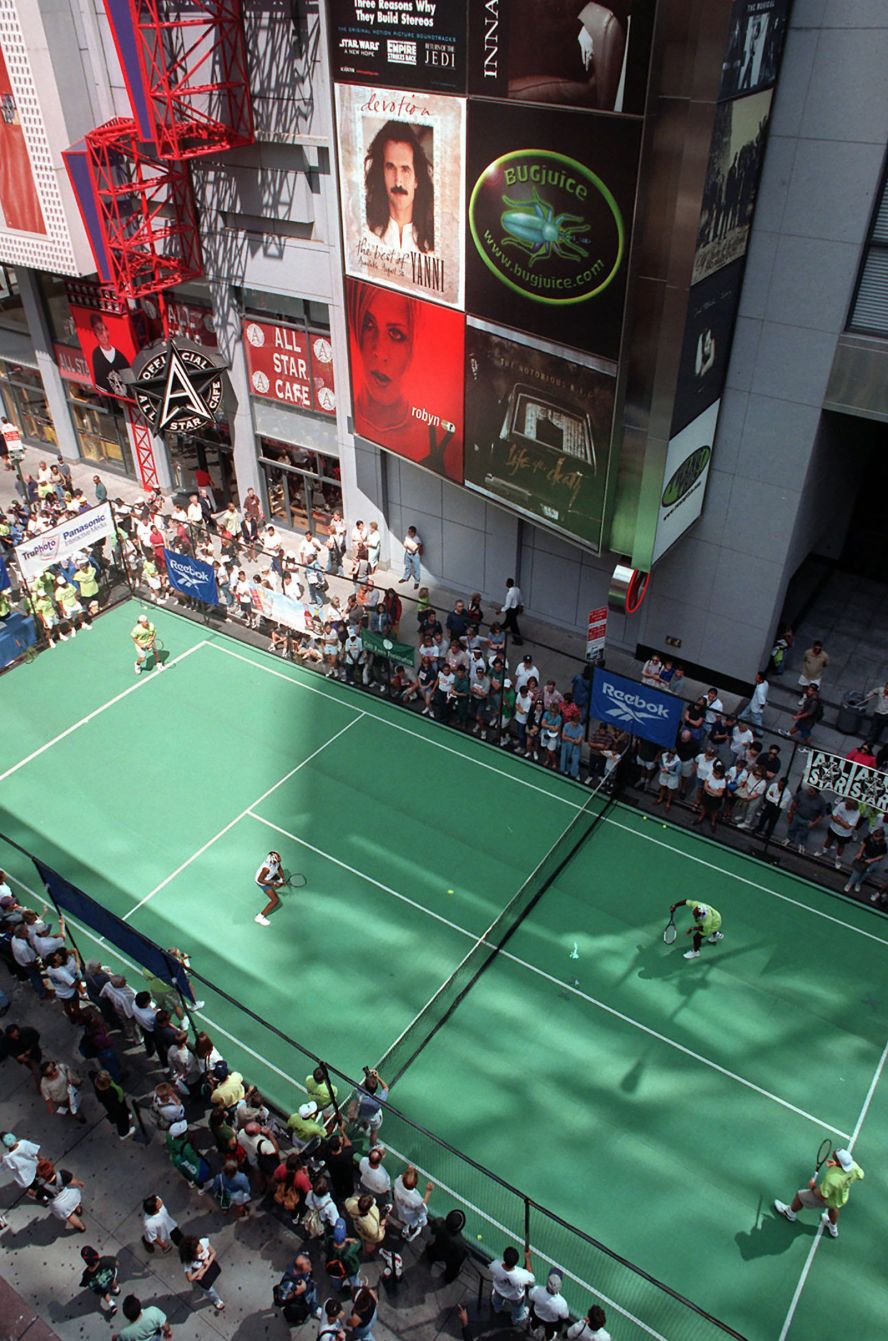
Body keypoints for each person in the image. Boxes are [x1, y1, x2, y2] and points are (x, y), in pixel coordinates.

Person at [364, 119, 433, 253]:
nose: (398, 182)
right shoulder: (367, 235)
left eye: (405, 169)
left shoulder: (431, 246)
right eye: (390, 167)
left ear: (416, 179)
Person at [774, 1146, 864, 1238]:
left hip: (829, 1199)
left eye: (835, 1155)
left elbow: (823, 1196)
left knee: (800, 1196)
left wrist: (813, 1187)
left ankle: (790, 1213)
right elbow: (861, 1175)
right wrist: (836, 1165)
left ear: (840, 1163)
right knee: (834, 1208)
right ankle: (833, 1229)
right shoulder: (853, 1166)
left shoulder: (832, 1179)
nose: (834, 1152)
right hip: (841, 1198)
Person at [490, 1245, 535, 1325]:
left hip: (499, 1291)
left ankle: (497, 1309)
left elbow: (491, 1270)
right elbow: (532, 1280)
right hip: (516, 1297)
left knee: (497, 1301)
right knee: (518, 1310)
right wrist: (527, 1258)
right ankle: (515, 1320)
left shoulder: (494, 1264)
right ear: (516, 1261)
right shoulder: (522, 1275)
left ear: (504, 1257)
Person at [89, 314, 131, 397]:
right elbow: (100, 384)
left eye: (106, 329)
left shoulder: (120, 356)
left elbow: (130, 380)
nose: (104, 334)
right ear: (95, 333)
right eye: (100, 331)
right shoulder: (96, 355)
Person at [179, 1234, 225, 1310]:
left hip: (208, 1268)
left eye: (198, 1243)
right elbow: (190, 1278)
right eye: (197, 1246)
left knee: (207, 1284)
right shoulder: (188, 1262)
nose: (201, 1246)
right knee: (209, 1290)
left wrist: (205, 1268)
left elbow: (213, 1253)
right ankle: (216, 1300)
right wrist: (202, 1268)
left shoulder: (204, 1242)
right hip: (200, 1274)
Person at [815, 798, 862, 869]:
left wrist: (839, 820)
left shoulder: (857, 813)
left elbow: (847, 826)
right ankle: (823, 851)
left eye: (848, 805)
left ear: (853, 806)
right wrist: (843, 822)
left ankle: (838, 859)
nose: (845, 805)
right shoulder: (841, 805)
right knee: (829, 840)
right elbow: (833, 816)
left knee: (841, 846)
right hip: (833, 828)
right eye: (846, 803)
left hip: (844, 834)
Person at [424, 1207, 468, 1282]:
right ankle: (449, 1277)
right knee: (454, 1267)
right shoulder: (460, 1241)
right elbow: (459, 1256)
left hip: (437, 1247)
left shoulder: (439, 1222)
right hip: (449, 1257)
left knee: (432, 1252)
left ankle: (430, 1258)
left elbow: (432, 1231)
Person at [91, 1069, 136, 1139]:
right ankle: (124, 1134)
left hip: (117, 1104)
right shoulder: (109, 1093)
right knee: (121, 1121)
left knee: (122, 1112)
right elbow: (117, 1109)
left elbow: (91, 1073)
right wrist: (122, 1113)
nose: (111, 1077)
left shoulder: (97, 1081)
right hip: (118, 1108)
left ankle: (125, 1115)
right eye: (109, 1077)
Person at [393, 1164, 433, 1241]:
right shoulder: (416, 1199)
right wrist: (428, 1191)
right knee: (419, 1225)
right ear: (416, 1184)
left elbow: (402, 1178)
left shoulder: (397, 1182)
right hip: (413, 1217)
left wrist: (410, 1171)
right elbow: (423, 1206)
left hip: (401, 1211)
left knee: (405, 1221)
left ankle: (405, 1230)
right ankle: (411, 1237)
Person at [784, 783, 827, 853]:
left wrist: (814, 823)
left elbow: (822, 815)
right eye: (809, 789)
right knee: (792, 828)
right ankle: (789, 838)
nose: (809, 791)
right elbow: (795, 802)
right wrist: (790, 812)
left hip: (809, 820)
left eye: (812, 791)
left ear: (816, 793)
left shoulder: (821, 801)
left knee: (804, 833)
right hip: (798, 815)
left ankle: (801, 844)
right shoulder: (802, 793)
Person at [844, 825, 887, 895]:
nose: (874, 838)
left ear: (881, 837)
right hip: (865, 855)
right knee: (857, 870)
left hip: (875, 860)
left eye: (877, 837)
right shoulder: (870, 837)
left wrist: (871, 860)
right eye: (874, 836)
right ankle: (850, 884)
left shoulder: (883, 844)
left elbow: (881, 856)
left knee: (867, 872)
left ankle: (858, 883)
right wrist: (860, 853)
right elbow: (864, 844)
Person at [79, 1245, 121, 1317]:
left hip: (100, 1285)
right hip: (109, 1276)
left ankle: (112, 1305)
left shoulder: (86, 1274)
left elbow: (84, 1282)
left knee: (104, 1293)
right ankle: (116, 1290)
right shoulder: (105, 1260)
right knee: (113, 1281)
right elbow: (115, 1262)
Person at [527, 1269, 570, 1339]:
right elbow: (565, 1316)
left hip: (536, 1315)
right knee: (550, 1332)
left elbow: (529, 1296)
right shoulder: (562, 1303)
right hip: (552, 1322)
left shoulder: (537, 1290)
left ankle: (532, 1331)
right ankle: (548, 1338)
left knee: (534, 1324)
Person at [40, 1059, 86, 1123]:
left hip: (70, 1093)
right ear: (45, 1076)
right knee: (72, 1108)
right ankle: (78, 1116)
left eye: (54, 1070)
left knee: (75, 1103)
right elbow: (47, 1098)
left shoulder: (60, 1067)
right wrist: (51, 1108)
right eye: (49, 1074)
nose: (53, 1074)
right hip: (61, 1100)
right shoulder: (44, 1084)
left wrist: (73, 1080)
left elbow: (68, 1070)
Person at [254, 849, 285, 926]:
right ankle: (259, 917)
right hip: (262, 882)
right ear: (273, 860)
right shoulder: (266, 869)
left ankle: (277, 881)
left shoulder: (276, 862)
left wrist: (283, 879)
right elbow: (260, 880)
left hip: (269, 876)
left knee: (278, 880)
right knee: (275, 900)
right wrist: (273, 883)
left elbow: (279, 868)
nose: (279, 859)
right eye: (278, 858)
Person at [498, 577, 523, 645]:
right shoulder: (517, 589)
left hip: (511, 610)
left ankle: (518, 640)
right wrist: (521, 605)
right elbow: (520, 598)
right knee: (508, 621)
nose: (505, 583)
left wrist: (500, 610)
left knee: (513, 626)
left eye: (506, 582)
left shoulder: (509, 594)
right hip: (516, 609)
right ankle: (501, 628)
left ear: (508, 584)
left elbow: (507, 605)